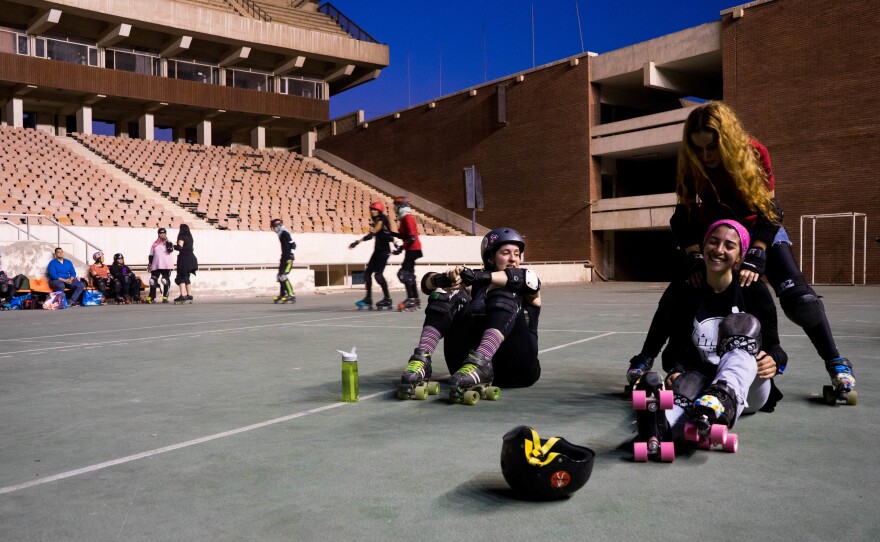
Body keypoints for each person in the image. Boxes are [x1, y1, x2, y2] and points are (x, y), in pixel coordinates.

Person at [671, 101, 855, 399]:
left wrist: (758, 250)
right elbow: (683, 217)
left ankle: (836, 363)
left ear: (728, 140)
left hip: (760, 228)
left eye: (712, 148)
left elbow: (770, 209)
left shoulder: (754, 153)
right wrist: (693, 253)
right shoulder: (692, 162)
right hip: (720, 234)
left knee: (801, 300)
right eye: (699, 149)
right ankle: (669, 364)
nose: (706, 156)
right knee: (681, 291)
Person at [627, 220, 788, 443]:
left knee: (739, 324)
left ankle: (720, 398)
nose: (719, 250)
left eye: (729, 246)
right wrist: (675, 370)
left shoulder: (754, 291)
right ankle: (657, 432)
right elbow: (673, 351)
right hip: (699, 386)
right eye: (713, 242)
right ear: (703, 248)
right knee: (686, 387)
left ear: (740, 256)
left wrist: (774, 362)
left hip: (748, 387)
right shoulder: (688, 291)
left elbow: (777, 351)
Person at [398, 227, 542, 400]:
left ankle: (482, 362)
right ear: (490, 257)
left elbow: (528, 279)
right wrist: (445, 278)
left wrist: (476, 276)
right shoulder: (474, 286)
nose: (513, 259)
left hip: (518, 370)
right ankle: (422, 360)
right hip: (465, 369)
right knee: (448, 293)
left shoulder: (527, 285)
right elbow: (426, 285)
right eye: (506, 253)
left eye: (517, 254)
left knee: (505, 291)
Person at [349, 202, 393, 310]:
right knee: (367, 273)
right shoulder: (376, 219)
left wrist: (357, 241)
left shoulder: (382, 218)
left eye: (374, 210)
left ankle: (387, 299)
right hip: (377, 251)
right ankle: (368, 298)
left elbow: (373, 233)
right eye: (371, 209)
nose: (372, 211)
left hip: (384, 251)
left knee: (378, 275)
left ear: (379, 211)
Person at [390, 196, 423, 311]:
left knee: (403, 274)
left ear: (400, 207)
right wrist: (391, 233)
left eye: (396, 206)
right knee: (410, 275)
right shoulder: (405, 218)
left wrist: (401, 247)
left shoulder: (407, 218)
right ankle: (416, 300)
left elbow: (411, 238)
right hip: (412, 249)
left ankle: (411, 299)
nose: (394, 208)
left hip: (413, 249)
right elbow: (406, 236)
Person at [270, 218, 297, 304]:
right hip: (283, 257)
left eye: (273, 227)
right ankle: (283, 294)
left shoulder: (285, 232)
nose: (273, 229)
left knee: (283, 276)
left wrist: (291, 255)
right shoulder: (280, 234)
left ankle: (291, 295)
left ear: (278, 226)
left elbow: (293, 244)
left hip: (288, 257)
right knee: (279, 276)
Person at [147, 227, 175, 303]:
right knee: (152, 281)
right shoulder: (154, 243)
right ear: (158, 234)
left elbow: (170, 250)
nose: (162, 235)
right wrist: (150, 264)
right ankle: (152, 297)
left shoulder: (168, 242)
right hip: (156, 264)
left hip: (166, 265)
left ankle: (165, 297)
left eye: (163, 233)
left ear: (165, 234)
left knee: (164, 280)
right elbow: (151, 254)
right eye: (160, 233)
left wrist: (166, 240)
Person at [173, 224, 198, 304]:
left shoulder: (181, 236)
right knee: (187, 276)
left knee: (181, 276)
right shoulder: (190, 237)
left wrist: (173, 246)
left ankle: (183, 295)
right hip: (191, 258)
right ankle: (189, 295)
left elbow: (180, 247)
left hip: (184, 258)